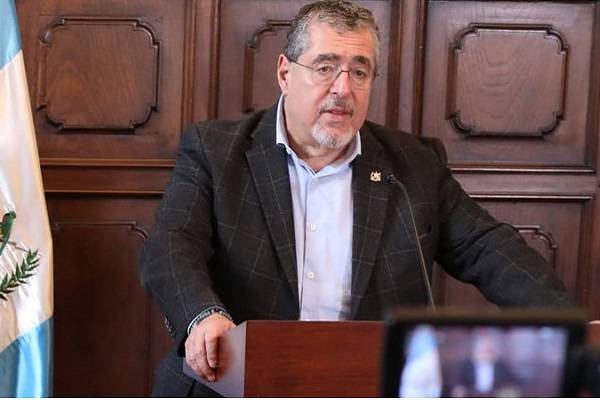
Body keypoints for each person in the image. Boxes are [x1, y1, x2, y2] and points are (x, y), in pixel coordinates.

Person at [139, 0, 573, 396]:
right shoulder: (216, 151)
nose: (343, 89)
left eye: (359, 72)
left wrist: (569, 327)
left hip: (361, 384)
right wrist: (202, 316)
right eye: (325, 67)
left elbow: (487, 248)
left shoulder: (413, 165)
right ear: (285, 73)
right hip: (234, 383)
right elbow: (172, 244)